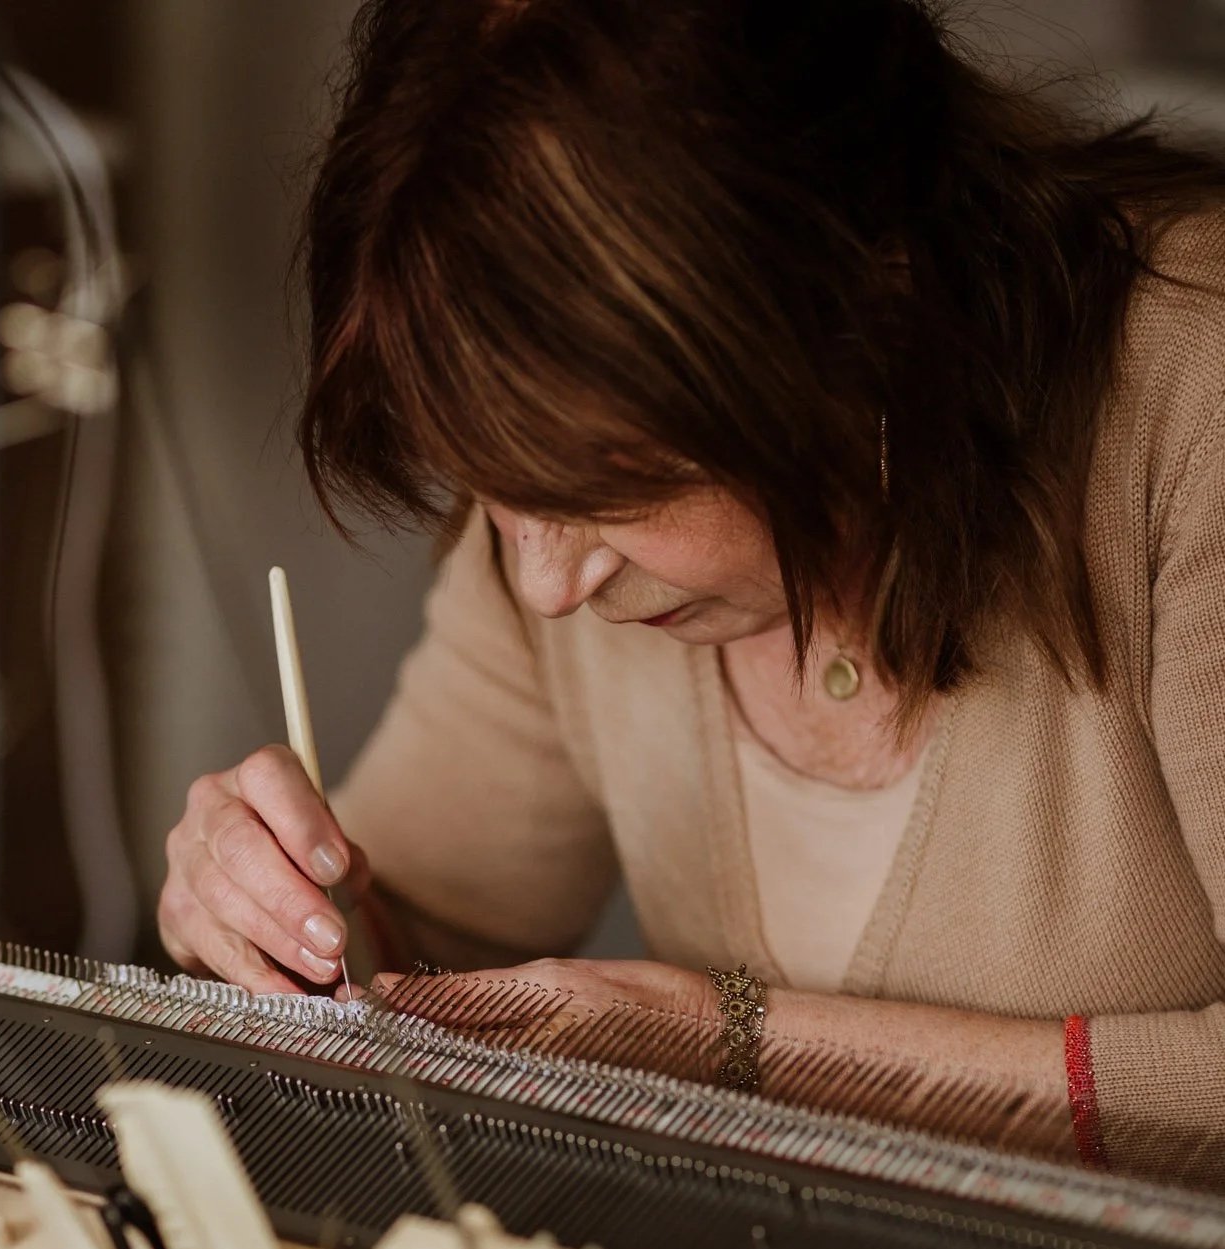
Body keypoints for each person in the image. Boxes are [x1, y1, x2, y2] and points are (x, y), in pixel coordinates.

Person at [159, 0, 1225, 1184]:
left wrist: (734, 1046)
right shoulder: (553, 525)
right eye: (492, 490)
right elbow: (411, 930)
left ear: (863, 305)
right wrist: (259, 914)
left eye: (609, 488)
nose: (545, 584)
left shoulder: (1197, 393)